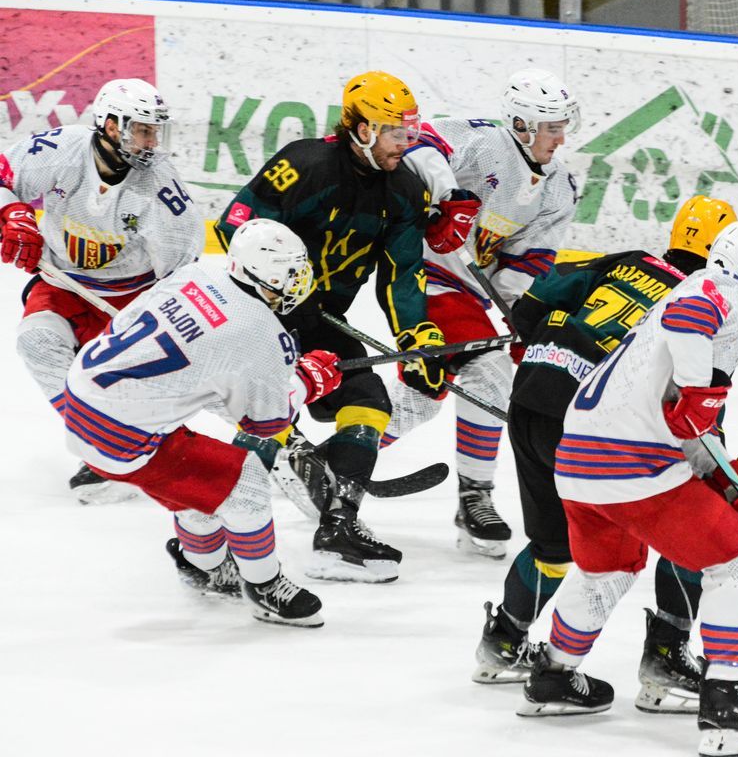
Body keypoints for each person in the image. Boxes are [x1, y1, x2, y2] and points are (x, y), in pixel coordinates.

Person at [520, 221, 738, 757]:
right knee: (735, 558)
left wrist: (733, 482)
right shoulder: (718, 290)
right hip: (632, 465)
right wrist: (697, 390)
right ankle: (725, 706)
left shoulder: (681, 295)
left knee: (607, 569)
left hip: (577, 462)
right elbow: (691, 338)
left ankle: (552, 676)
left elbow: (688, 427)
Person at [474, 196, 738, 715]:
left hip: (531, 399)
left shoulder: (628, 262)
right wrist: (725, 476)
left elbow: (534, 300)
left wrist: (536, 338)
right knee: (691, 526)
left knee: (553, 546)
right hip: (591, 427)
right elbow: (693, 417)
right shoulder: (701, 303)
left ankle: (503, 642)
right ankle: (666, 656)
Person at [215, 70, 479, 583]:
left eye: (409, 132)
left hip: (319, 317)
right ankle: (214, 537)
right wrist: (280, 285)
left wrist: (417, 337)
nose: (407, 143)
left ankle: (338, 528)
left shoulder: (404, 189)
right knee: (269, 411)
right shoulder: (304, 163)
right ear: (363, 129)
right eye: (396, 133)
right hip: (259, 312)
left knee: (369, 399)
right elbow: (236, 224)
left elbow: (402, 273)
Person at [58, 219, 337, 626]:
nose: (299, 279)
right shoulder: (259, 332)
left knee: (200, 482)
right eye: (292, 270)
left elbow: (127, 325)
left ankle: (204, 566)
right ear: (271, 274)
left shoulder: (197, 273)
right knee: (246, 485)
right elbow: (265, 424)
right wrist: (308, 381)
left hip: (83, 394)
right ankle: (265, 587)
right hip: (121, 435)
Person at [383, 67, 580, 559]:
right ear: (522, 125)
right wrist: (447, 199)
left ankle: (343, 455)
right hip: (423, 271)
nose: (560, 138)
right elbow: (416, 142)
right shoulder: (484, 142)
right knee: (483, 375)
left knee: (430, 393)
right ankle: (472, 495)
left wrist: (520, 322)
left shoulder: (559, 186)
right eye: (552, 127)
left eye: (562, 126)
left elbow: (527, 264)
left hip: (469, 292)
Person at [0, 78, 205, 502]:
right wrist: (12, 213)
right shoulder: (61, 149)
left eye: (155, 131)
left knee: (138, 384)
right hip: (61, 285)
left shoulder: (160, 188)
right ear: (111, 125)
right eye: (143, 130)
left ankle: (133, 445)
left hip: (134, 298)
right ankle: (104, 446)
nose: (152, 142)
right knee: (37, 343)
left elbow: (181, 276)